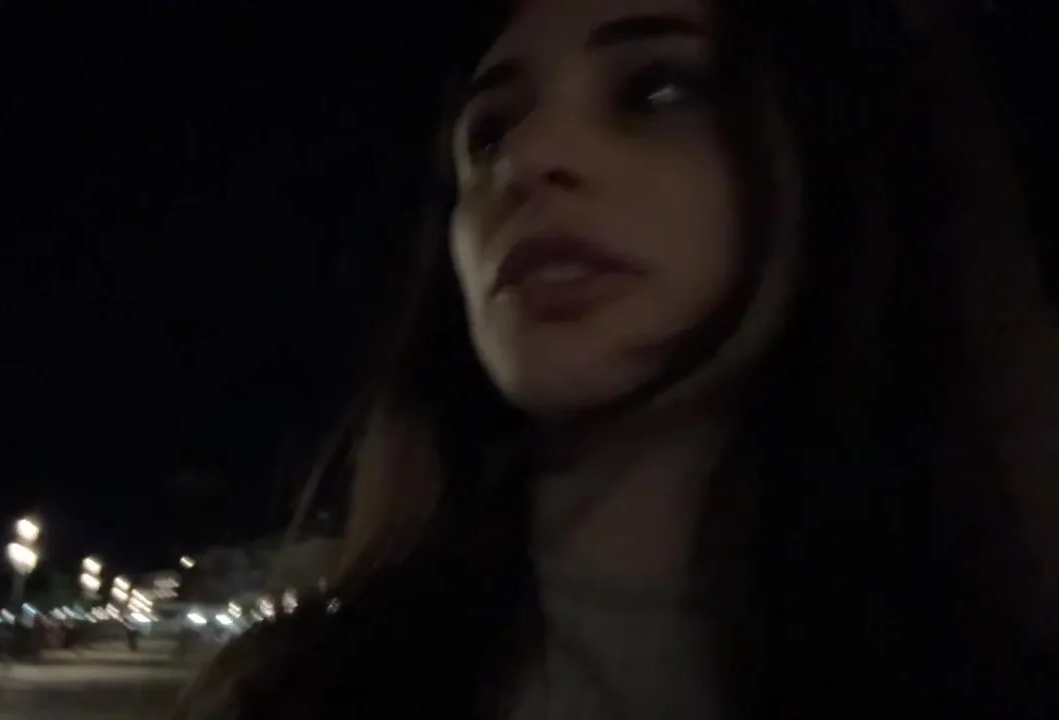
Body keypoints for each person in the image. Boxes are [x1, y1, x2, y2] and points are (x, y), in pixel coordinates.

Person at [179, 0, 1059, 717]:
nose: (525, 159)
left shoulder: (994, 670)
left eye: (658, 90)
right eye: (487, 133)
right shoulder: (295, 693)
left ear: (837, 159)